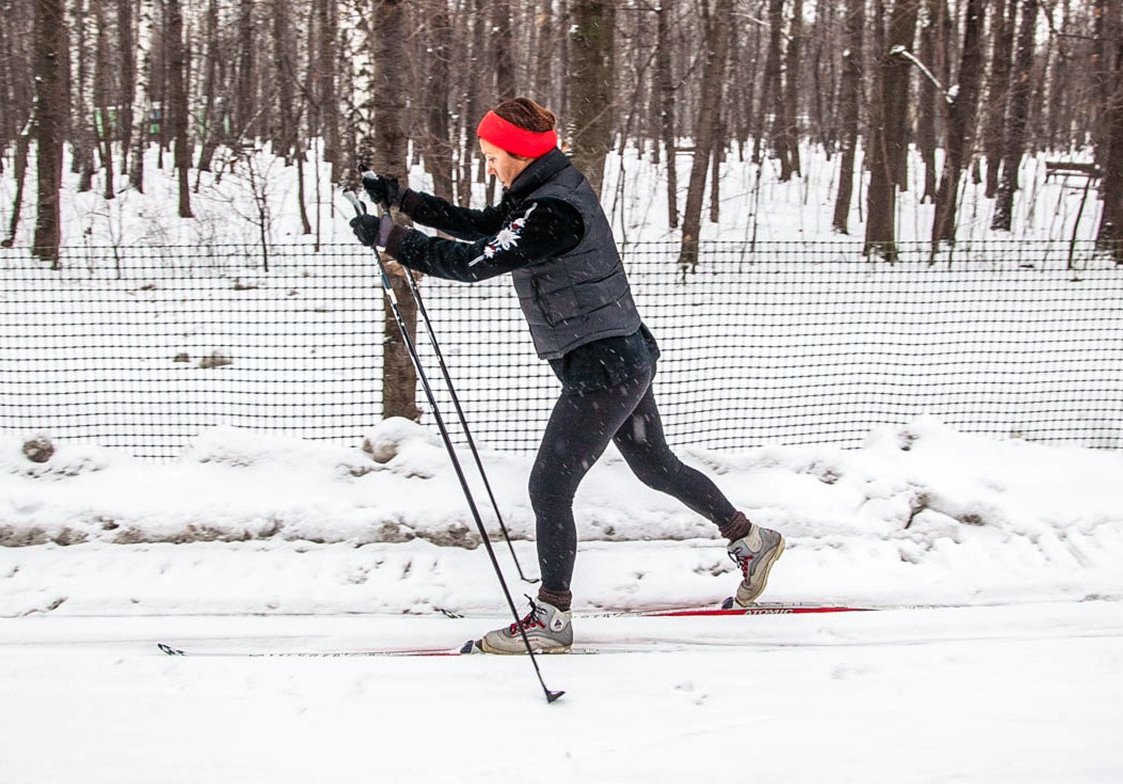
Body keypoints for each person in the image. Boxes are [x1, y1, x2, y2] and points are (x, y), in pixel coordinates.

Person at [351, 97, 784, 654]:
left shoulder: (554, 213)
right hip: (619, 353)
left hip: (604, 365)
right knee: (656, 465)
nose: (488, 166)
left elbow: (473, 261)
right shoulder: (541, 191)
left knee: (549, 487)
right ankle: (752, 540)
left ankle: (552, 616)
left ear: (519, 152)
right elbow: (486, 225)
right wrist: (405, 203)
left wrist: (394, 238)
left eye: (491, 156)